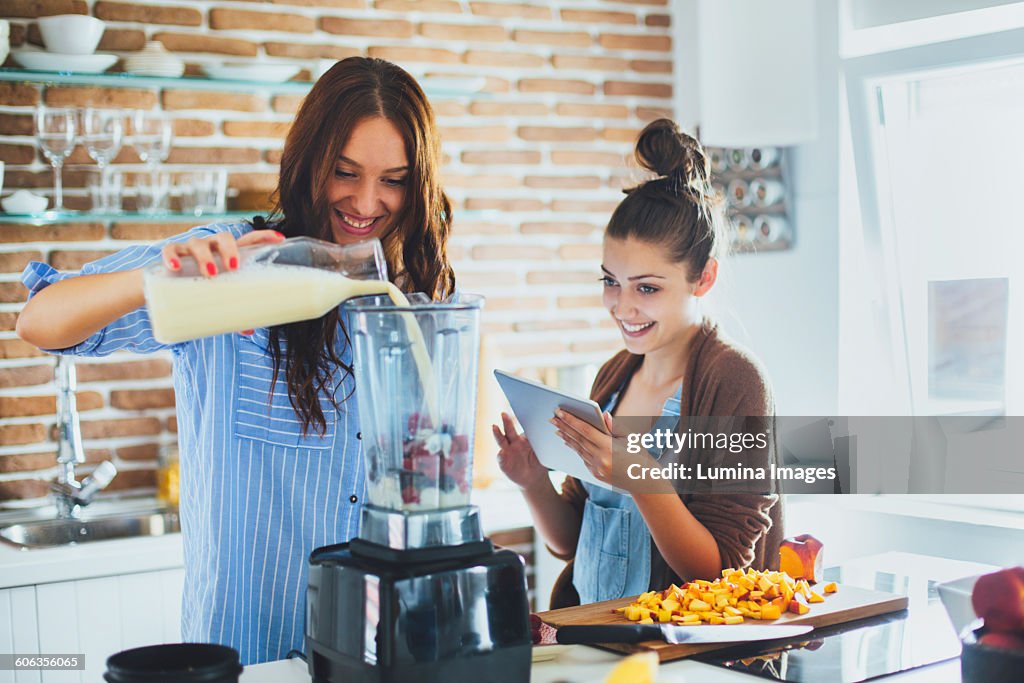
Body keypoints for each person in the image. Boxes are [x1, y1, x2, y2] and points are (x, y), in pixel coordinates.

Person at [16, 57, 455, 664]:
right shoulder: (236, 264)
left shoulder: (422, 291)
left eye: (395, 180)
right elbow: (41, 321)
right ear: (309, 164)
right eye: (344, 172)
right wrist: (166, 277)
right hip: (251, 652)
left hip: (384, 646)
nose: (366, 201)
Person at [493, 118, 783, 609]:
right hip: (594, 644)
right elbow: (571, 542)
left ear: (703, 278)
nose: (622, 307)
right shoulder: (614, 376)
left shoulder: (734, 381)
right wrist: (532, 480)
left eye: (647, 288)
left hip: (677, 657)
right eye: (612, 281)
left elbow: (726, 571)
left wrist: (639, 475)